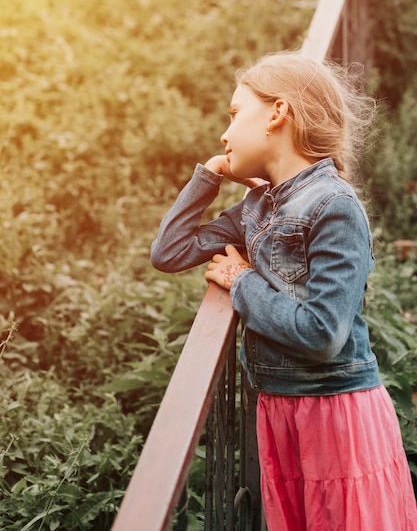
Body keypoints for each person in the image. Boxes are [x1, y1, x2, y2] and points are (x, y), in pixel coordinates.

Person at [150, 51, 417, 530]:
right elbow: (169, 253)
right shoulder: (257, 206)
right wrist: (209, 176)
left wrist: (241, 281)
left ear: (277, 113)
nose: (225, 134)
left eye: (234, 115)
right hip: (281, 411)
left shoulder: (334, 205)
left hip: (334, 414)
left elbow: (322, 334)